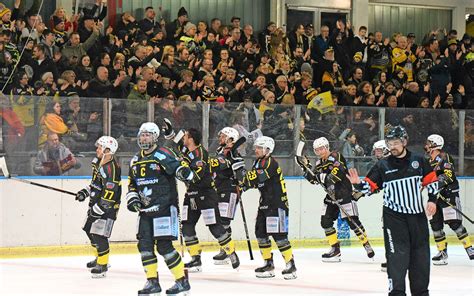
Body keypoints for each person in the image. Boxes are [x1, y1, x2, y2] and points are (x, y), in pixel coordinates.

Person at [347, 125, 438, 296]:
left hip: (418, 218)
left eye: (396, 142)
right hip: (394, 219)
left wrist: (432, 200)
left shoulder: (419, 160)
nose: (392, 146)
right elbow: (370, 187)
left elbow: (432, 182)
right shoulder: (383, 165)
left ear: (404, 142)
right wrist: (358, 184)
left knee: (421, 260)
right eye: (390, 143)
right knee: (397, 259)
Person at [126, 122, 192, 295]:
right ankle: (152, 282)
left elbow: (179, 169)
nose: (144, 137)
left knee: (164, 247)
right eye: (142, 134)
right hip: (145, 212)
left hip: (164, 209)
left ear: (155, 137)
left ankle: (181, 281)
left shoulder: (163, 154)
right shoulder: (135, 160)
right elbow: (132, 184)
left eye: (148, 134)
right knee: (145, 247)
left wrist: (184, 172)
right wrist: (133, 199)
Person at [295, 137, 375, 262]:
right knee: (325, 222)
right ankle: (335, 250)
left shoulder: (336, 156)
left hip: (345, 194)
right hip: (331, 196)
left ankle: (366, 244)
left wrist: (319, 176)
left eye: (321, 148)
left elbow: (336, 176)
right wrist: (305, 167)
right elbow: (313, 180)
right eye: (316, 150)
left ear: (327, 147)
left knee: (353, 222)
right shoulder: (319, 163)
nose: (319, 152)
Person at [233, 136, 297, 280]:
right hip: (265, 203)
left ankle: (290, 264)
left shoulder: (270, 163)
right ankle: (268, 263)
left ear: (268, 150)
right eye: (256, 147)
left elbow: (253, 178)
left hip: (277, 204)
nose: (256, 150)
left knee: (279, 236)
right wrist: (241, 184)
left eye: (259, 148)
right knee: (260, 233)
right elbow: (251, 183)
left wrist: (239, 170)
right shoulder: (258, 162)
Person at [179, 128, 240, 272]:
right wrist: (169, 133)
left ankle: (231, 251)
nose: (183, 138)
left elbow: (196, 176)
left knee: (215, 227)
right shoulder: (187, 150)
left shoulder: (200, 154)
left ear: (191, 139)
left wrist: (180, 170)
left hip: (206, 195)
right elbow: (177, 148)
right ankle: (195, 259)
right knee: (186, 226)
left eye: (186, 136)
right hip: (191, 195)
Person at [75, 136, 121, 278]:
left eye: (100, 147)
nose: (97, 149)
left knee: (99, 235)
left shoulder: (112, 168)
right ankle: (98, 257)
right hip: (96, 204)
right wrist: (86, 192)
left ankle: (103, 264)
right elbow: (95, 183)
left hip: (107, 208)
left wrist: (99, 209)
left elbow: (110, 192)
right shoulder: (98, 163)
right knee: (88, 229)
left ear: (108, 150)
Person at [424, 134, 474, 264]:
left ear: (435, 145)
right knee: (435, 225)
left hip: (448, 195)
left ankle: (470, 248)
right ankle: (442, 253)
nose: (426, 145)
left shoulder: (445, 158)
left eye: (429, 143)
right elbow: (427, 179)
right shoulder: (428, 161)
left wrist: (436, 184)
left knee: (455, 223)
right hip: (435, 198)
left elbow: (449, 176)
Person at [208, 127, 241, 264]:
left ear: (231, 139)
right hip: (219, 189)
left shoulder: (235, 154)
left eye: (223, 136)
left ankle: (226, 252)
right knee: (220, 220)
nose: (220, 138)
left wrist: (237, 174)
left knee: (224, 221)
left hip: (231, 190)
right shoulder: (220, 152)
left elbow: (241, 172)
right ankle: (226, 250)